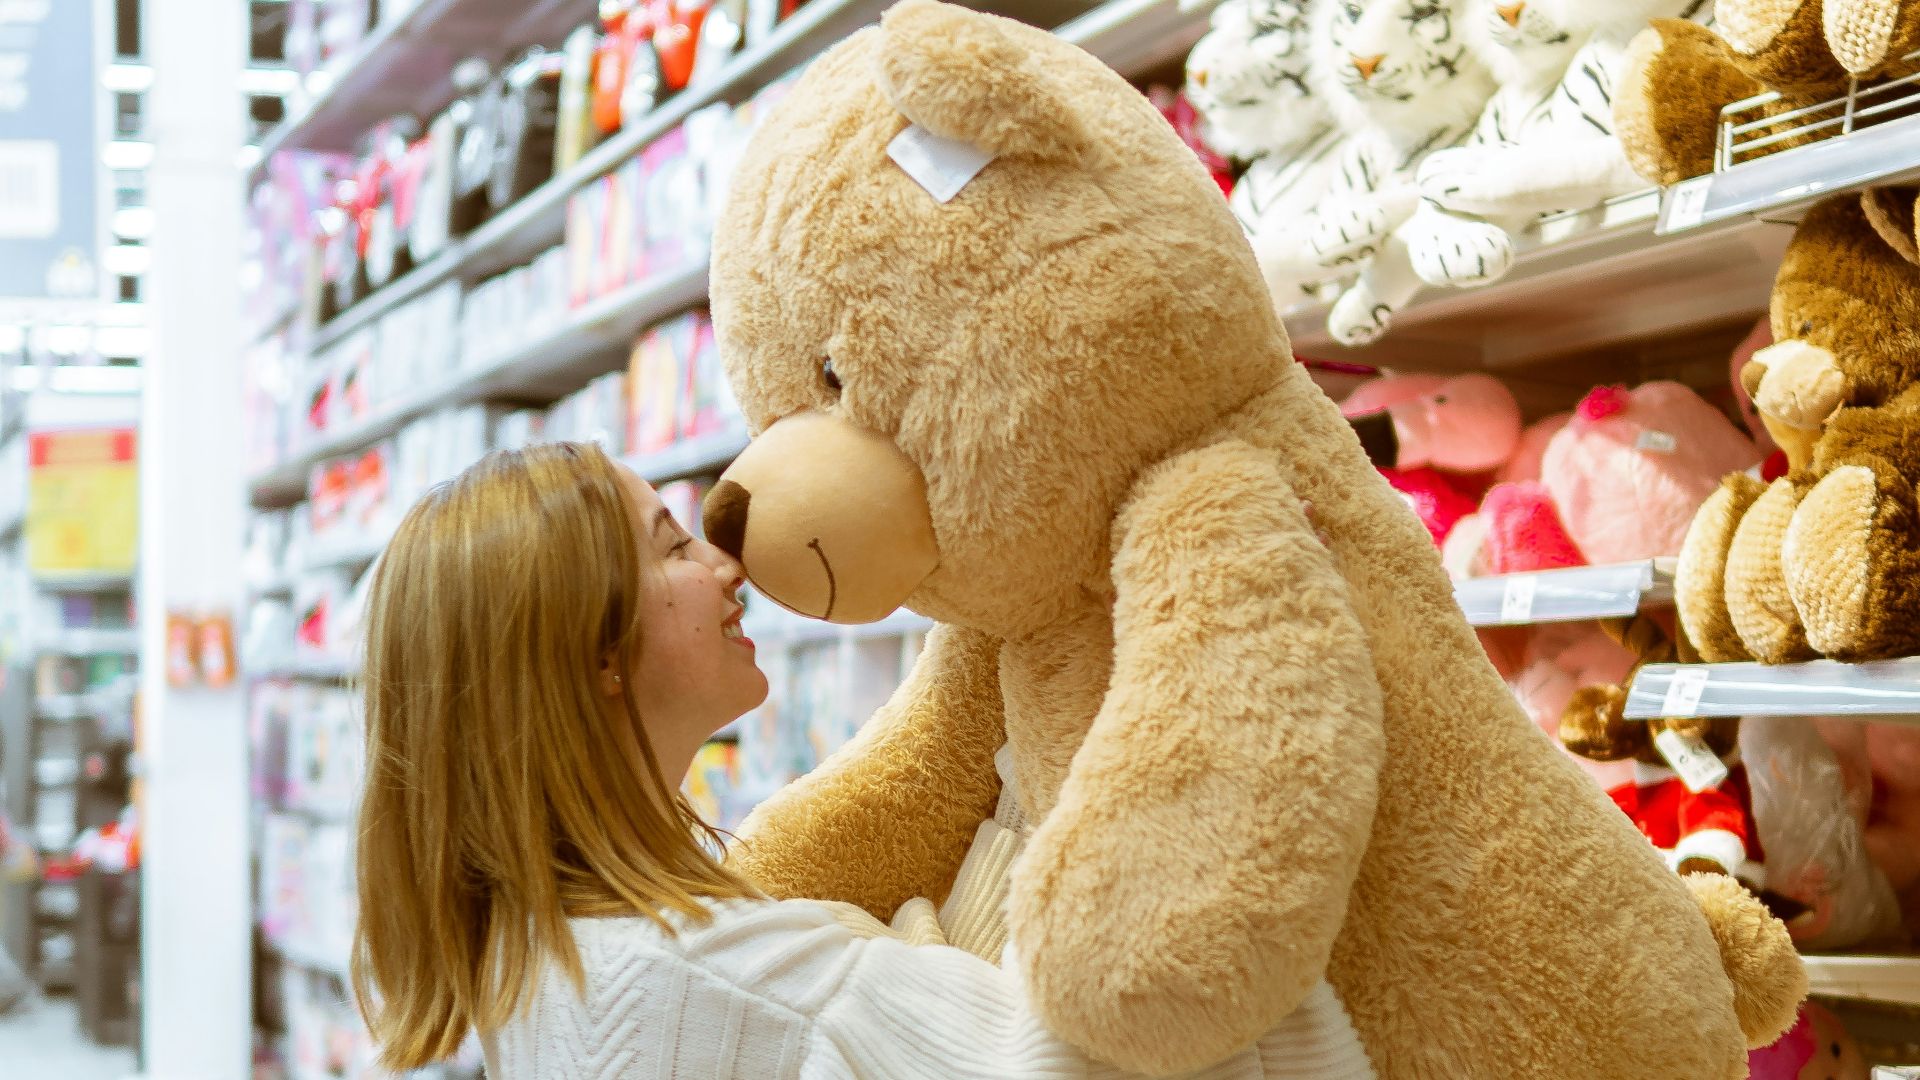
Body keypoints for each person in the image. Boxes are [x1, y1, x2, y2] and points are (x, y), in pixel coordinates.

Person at [351, 441, 1369, 1079]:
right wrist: (1219, 636)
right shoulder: (721, 973)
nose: (723, 563)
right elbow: (1124, 1039)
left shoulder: (533, 950)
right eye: (670, 548)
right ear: (597, 653)